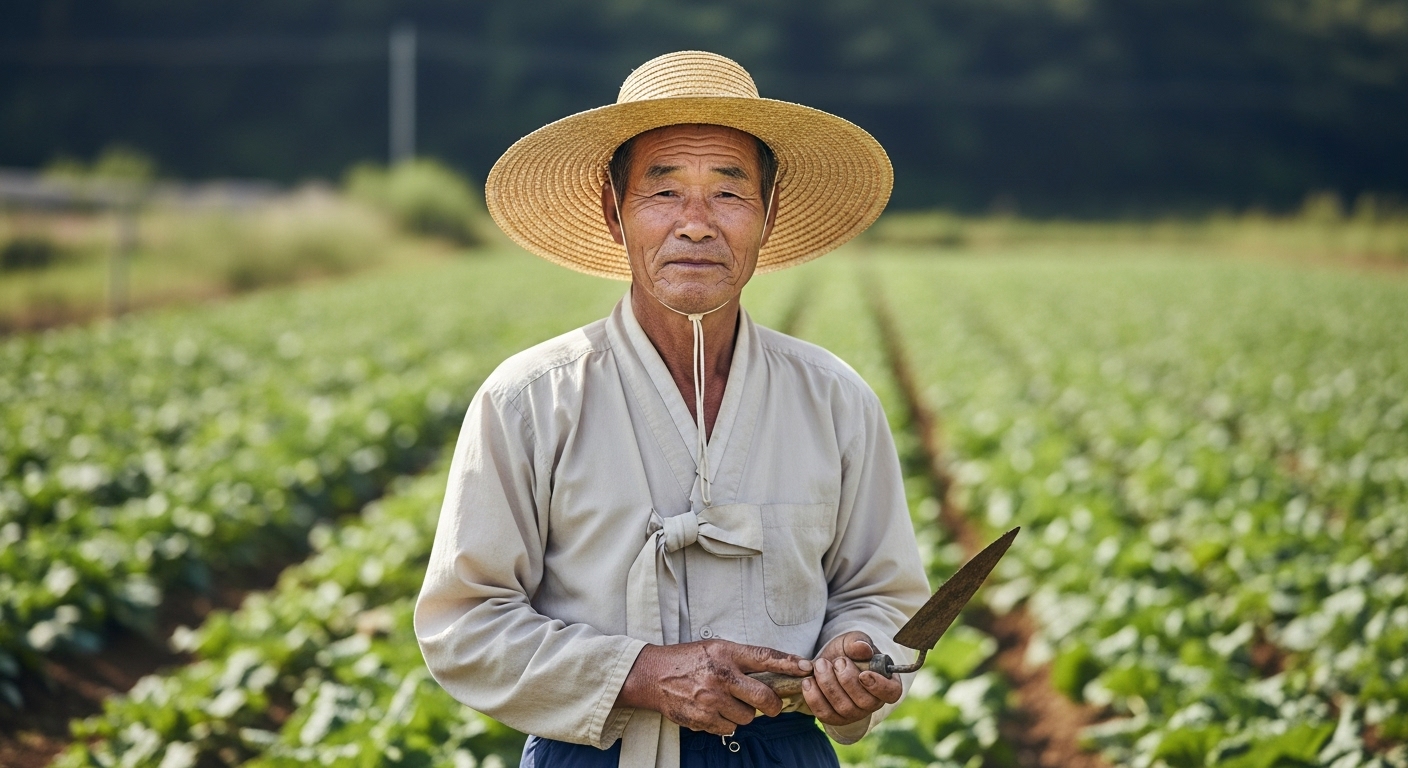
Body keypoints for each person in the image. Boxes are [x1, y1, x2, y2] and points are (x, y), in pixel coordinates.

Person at [414, 50, 929, 768]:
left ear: (769, 214)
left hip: (782, 753)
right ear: (613, 210)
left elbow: (882, 591)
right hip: (597, 752)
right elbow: (463, 623)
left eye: (728, 192)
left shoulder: (834, 398)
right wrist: (641, 673)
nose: (695, 224)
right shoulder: (531, 398)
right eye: (662, 193)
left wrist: (857, 653)